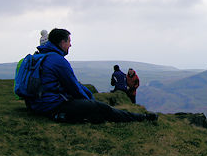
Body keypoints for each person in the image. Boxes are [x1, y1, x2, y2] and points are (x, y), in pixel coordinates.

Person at [25, 28, 157, 124]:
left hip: (35, 104)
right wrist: (91, 101)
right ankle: (140, 118)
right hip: (50, 106)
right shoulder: (58, 61)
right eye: (69, 41)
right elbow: (74, 87)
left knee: (94, 112)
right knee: (102, 108)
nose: (70, 44)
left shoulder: (40, 55)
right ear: (61, 42)